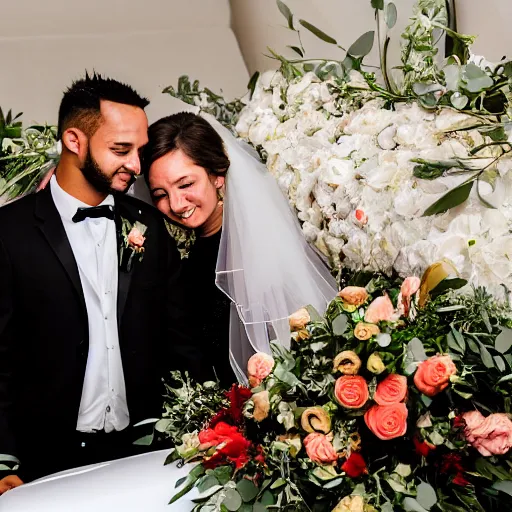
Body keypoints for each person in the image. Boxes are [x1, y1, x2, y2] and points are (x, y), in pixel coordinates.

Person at [0, 73, 192, 492]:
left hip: (142, 453)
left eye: (138, 151)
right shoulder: (8, 232)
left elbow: (176, 338)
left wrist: (180, 426)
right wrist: (3, 459)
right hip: (40, 459)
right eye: (121, 150)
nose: (136, 166)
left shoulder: (149, 227)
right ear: (74, 141)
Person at [143, 112, 338, 384]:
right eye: (160, 195)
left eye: (186, 184)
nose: (175, 204)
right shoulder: (180, 263)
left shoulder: (261, 245)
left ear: (217, 176)